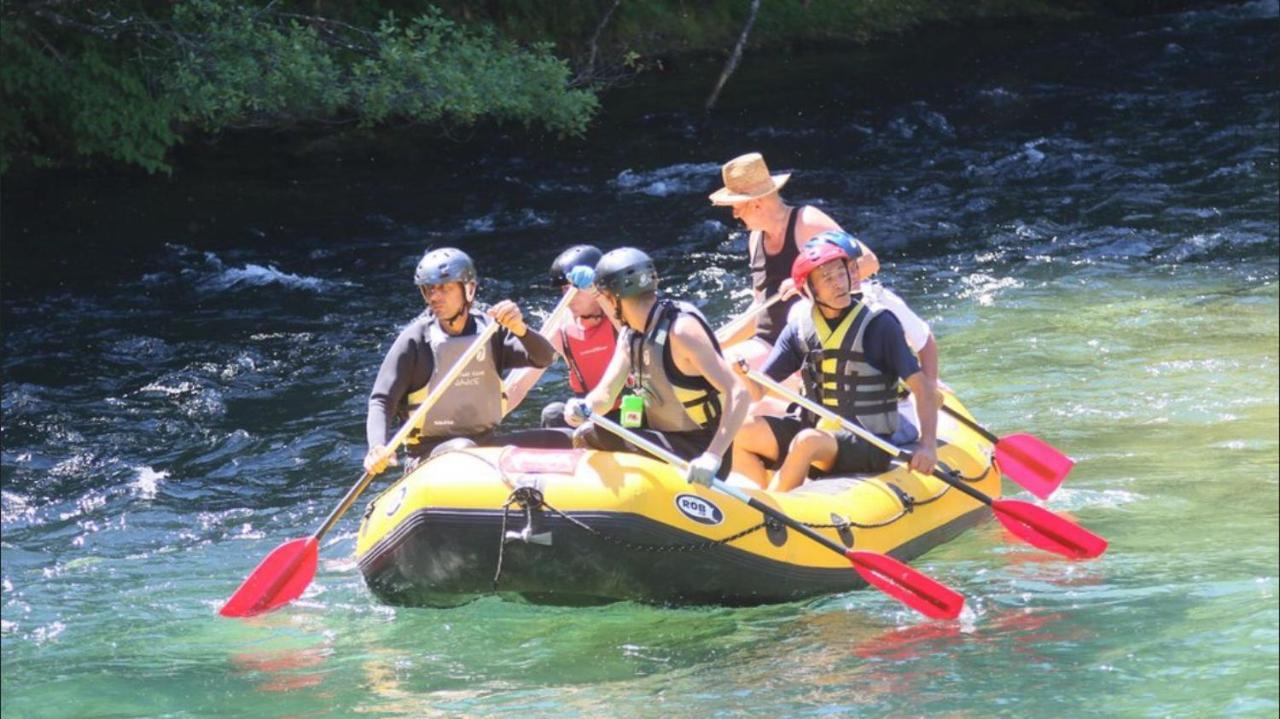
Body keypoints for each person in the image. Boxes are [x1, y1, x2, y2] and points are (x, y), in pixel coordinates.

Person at [730, 240, 939, 492]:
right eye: (827, 279)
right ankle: (755, 496)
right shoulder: (799, 329)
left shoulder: (880, 324)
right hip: (817, 430)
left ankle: (772, 509)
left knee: (807, 441)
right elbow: (757, 391)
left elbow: (923, 388)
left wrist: (928, 446)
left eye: (841, 273)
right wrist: (742, 373)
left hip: (869, 440)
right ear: (809, 290)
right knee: (741, 430)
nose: (839, 283)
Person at [364, 247, 569, 475]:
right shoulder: (415, 340)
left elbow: (545, 358)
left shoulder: (490, 330)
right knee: (464, 450)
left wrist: (520, 329)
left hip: (485, 444)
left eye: (444, 288)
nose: (434, 297)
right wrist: (377, 447)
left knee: (566, 439)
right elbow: (382, 400)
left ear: (469, 289)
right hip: (429, 454)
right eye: (428, 289)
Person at [562, 247, 751, 487]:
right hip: (663, 435)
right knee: (590, 428)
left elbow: (739, 393)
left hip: (699, 451)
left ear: (612, 298)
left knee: (592, 436)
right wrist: (585, 406)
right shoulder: (630, 334)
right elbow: (606, 395)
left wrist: (712, 457)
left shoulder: (681, 331)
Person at [708, 152, 882, 355]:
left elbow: (869, 262)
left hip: (811, 348)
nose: (734, 214)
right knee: (713, 363)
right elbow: (761, 306)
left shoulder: (807, 223)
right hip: (768, 345)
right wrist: (717, 343)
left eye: (737, 207)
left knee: (729, 367)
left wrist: (805, 283)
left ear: (757, 203)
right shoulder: (756, 238)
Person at [503, 245, 622, 427]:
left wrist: (596, 292)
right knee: (553, 414)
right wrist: (484, 422)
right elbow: (518, 385)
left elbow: (633, 334)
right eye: (564, 290)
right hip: (588, 415)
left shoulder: (620, 315)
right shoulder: (562, 326)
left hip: (631, 415)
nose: (569, 297)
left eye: (576, 289)